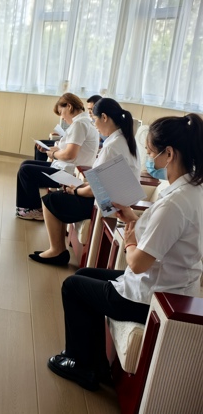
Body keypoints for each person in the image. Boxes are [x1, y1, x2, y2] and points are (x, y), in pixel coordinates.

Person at [47, 114, 203, 391]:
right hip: (172, 284)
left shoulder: (175, 203)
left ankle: (82, 366)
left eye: (151, 152)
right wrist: (132, 217)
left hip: (151, 296)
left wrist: (129, 242)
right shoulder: (193, 189)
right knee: (85, 274)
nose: (149, 158)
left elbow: (139, 263)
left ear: (169, 154)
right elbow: (167, 236)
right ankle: (95, 364)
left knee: (73, 286)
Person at [29, 98, 140, 266]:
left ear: (104, 117)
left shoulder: (112, 146)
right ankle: (58, 250)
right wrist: (81, 186)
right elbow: (103, 180)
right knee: (60, 196)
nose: (94, 124)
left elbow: (95, 189)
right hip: (113, 200)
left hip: (107, 205)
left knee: (50, 200)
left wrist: (75, 190)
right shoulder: (124, 141)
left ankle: (56, 251)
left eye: (94, 119)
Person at [16, 93, 99, 220]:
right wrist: (55, 150)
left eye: (61, 112)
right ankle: (26, 208)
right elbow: (72, 150)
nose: (62, 117)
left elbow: (70, 154)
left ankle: (36, 209)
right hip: (66, 167)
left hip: (69, 172)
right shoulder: (82, 122)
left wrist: (53, 154)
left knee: (26, 171)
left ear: (69, 106)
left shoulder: (80, 124)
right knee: (25, 164)